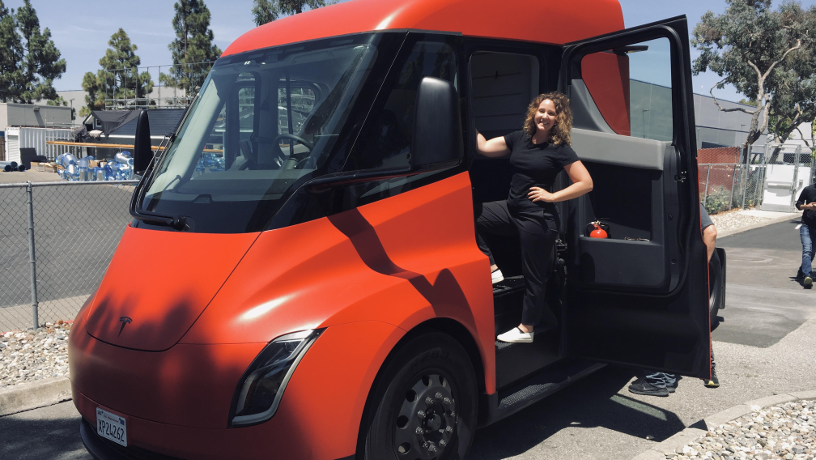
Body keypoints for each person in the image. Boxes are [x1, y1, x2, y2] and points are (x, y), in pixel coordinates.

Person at [474, 92, 593, 344]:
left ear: (558, 119)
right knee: (472, 214)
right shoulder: (519, 138)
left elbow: (586, 183)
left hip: (537, 217)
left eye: (551, 113)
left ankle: (527, 328)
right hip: (511, 209)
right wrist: (463, 117)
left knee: (534, 275)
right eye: (542, 111)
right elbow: (483, 147)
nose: (545, 116)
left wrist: (552, 197)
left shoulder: (559, 149)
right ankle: (492, 266)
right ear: (534, 112)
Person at [628, 204, 719, 396]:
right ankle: (684, 374)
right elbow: (708, 233)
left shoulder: (660, 200)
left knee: (653, 321)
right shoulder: (683, 199)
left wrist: (698, 268)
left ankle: (658, 380)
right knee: (680, 322)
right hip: (680, 272)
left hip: (668, 271)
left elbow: (711, 233)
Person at [794, 183, 816, 289]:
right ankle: (808, 276)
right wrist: (807, 206)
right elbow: (798, 204)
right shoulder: (808, 189)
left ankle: (800, 272)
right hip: (806, 225)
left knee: (811, 253)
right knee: (807, 250)